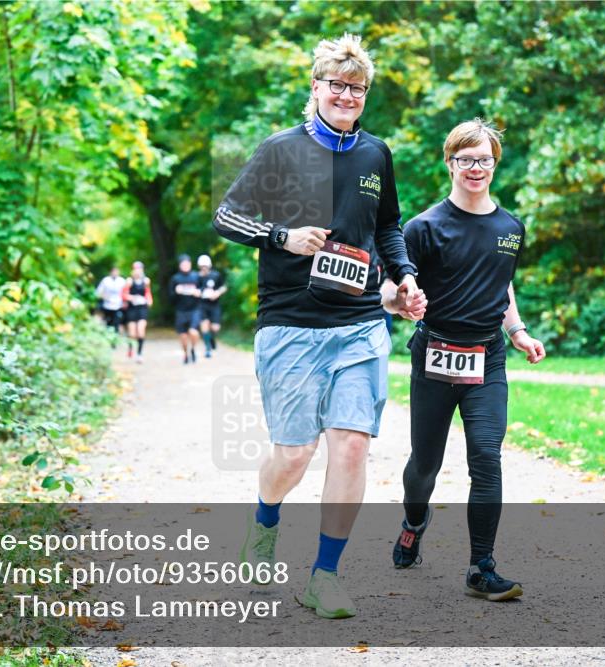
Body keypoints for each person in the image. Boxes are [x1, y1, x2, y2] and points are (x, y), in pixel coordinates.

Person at [213, 34, 425, 619]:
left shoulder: (375, 155)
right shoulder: (279, 149)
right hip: (290, 322)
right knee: (295, 452)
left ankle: (324, 575)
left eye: (357, 89)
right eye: (337, 86)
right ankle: (264, 520)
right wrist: (281, 237)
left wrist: (404, 276)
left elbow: (388, 227)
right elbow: (226, 214)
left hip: (358, 321)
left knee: (352, 447)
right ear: (316, 88)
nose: (347, 96)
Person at [383, 118, 546, 602]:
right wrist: (401, 302)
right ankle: (415, 520)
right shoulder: (424, 228)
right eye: (466, 159)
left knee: (486, 460)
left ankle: (481, 567)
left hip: (487, 361)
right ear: (450, 162)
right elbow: (390, 287)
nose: (476, 168)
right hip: (434, 355)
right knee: (425, 466)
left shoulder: (510, 227)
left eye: (485, 159)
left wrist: (516, 330)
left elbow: (502, 284)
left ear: (495, 164)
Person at [169, 254, 202, 364]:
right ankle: (185, 354)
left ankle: (193, 349)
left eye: (187, 264)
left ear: (190, 264)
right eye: (183, 264)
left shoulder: (196, 276)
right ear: (180, 265)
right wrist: (176, 292)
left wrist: (199, 292)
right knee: (183, 336)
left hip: (194, 310)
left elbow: (203, 289)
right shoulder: (175, 279)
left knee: (193, 332)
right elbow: (170, 297)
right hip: (181, 311)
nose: (185, 266)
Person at [121, 261, 152, 363]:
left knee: (141, 330)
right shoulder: (129, 281)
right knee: (132, 333)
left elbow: (147, 293)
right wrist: (132, 297)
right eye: (135, 268)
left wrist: (149, 300)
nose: (137, 271)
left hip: (142, 308)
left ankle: (139, 354)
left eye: (139, 268)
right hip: (132, 309)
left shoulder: (146, 281)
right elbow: (123, 295)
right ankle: (130, 348)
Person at [197, 254, 227, 358]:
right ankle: (208, 349)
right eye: (202, 266)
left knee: (215, 328)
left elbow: (223, 287)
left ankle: (211, 339)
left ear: (209, 265)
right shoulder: (197, 277)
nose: (204, 268)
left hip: (214, 305)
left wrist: (217, 293)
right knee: (204, 326)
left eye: (205, 266)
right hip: (202, 305)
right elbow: (194, 290)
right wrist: (197, 293)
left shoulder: (215, 275)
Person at [95, 266, 125, 336]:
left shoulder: (122, 281)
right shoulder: (105, 280)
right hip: (107, 306)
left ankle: (115, 339)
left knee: (116, 322)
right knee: (109, 323)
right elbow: (98, 293)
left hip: (118, 306)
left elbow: (126, 292)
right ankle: (109, 337)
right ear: (110, 272)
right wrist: (105, 296)